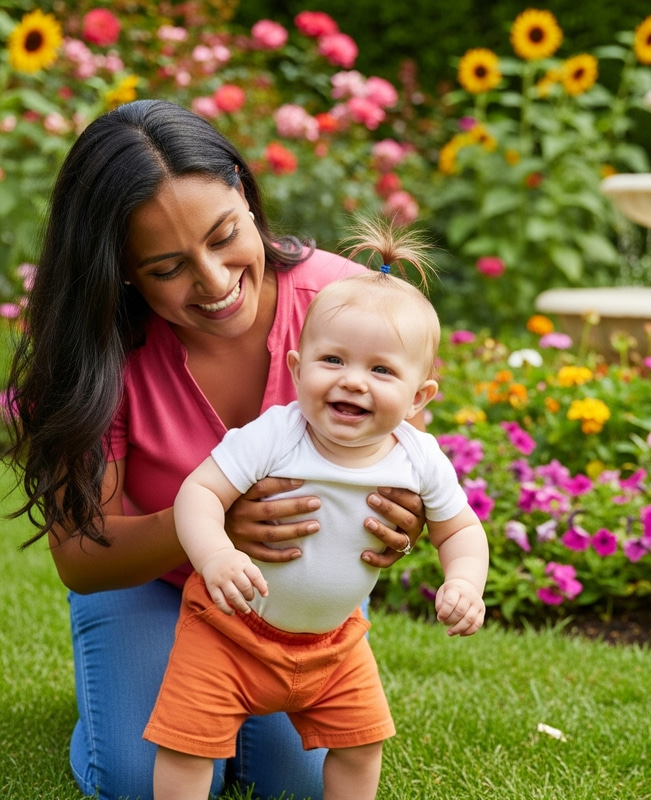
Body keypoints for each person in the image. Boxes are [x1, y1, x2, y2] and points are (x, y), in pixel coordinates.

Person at [4, 99, 428, 800]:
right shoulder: (98, 351)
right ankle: (124, 697)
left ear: (240, 185)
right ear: (122, 272)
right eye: (168, 266)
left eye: (224, 235)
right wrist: (212, 525)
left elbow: (403, 441)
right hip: (151, 585)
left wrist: (402, 515)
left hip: (286, 598)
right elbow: (81, 557)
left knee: (300, 781)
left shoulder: (339, 301)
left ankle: (210, 714)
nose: (212, 279)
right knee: (142, 780)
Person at [143, 224, 489, 800]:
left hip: (336, 641)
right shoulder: (278, 433)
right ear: (299, 367)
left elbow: (462, 530)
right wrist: (217, 553)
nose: (352, 380)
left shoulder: (419, 456)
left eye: (381, 371)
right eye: (333, 360)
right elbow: (199, 493)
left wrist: (464, 580)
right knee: (187, 746)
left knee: (360, 746)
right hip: (227, 630)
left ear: (420, 397)